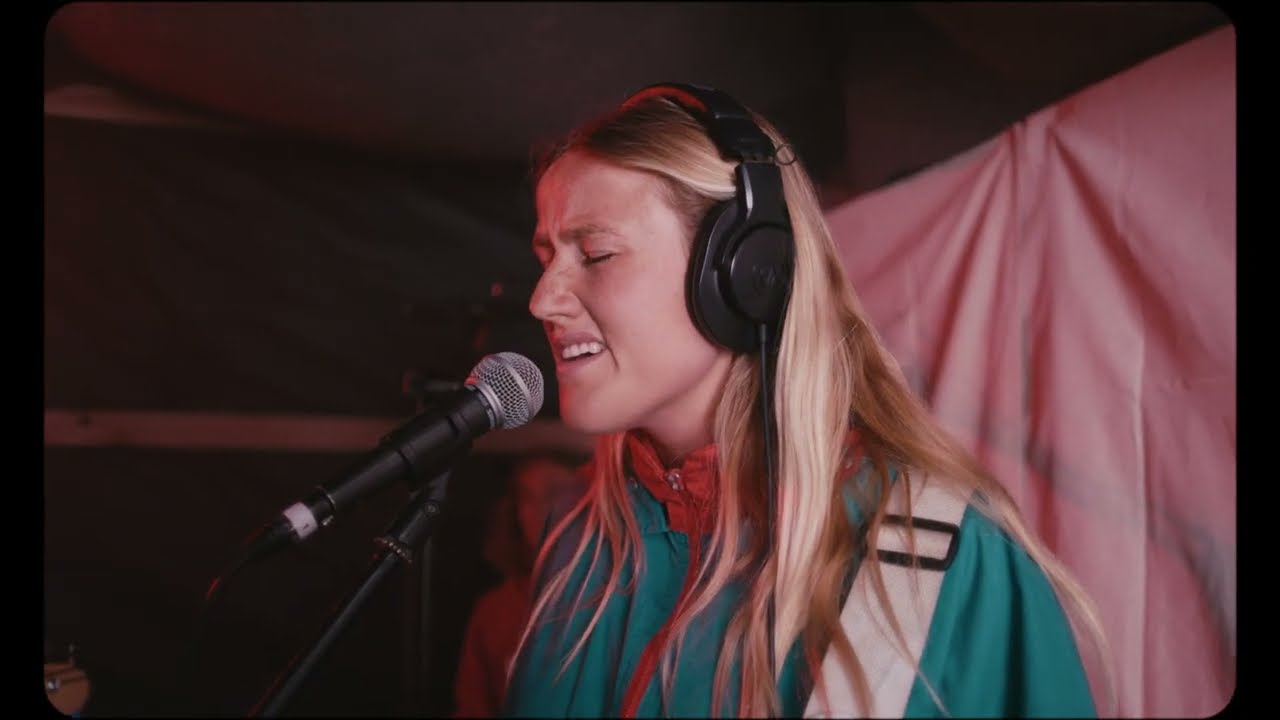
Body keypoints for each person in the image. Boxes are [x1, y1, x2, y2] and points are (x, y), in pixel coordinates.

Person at [502, 82, 1113, 718]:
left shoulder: (938, 556)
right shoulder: (576, 544)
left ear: (744, 271)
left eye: (595, 253)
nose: (543, 299)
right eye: (547, 257)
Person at [452, 452, 584, 717]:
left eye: (554, 492)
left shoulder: (617, 599)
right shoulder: (495, 612)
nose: (535, 510)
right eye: (525, 497)